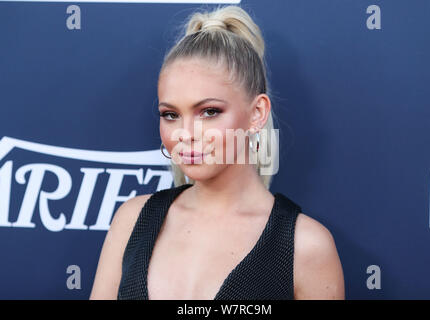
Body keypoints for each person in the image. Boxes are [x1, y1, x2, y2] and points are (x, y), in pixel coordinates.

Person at [90, 5, 345, 300]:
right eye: (170, 115)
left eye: (209, 111)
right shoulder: (131, 221)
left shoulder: (306, 246)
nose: (186, 134)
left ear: (257, 113)